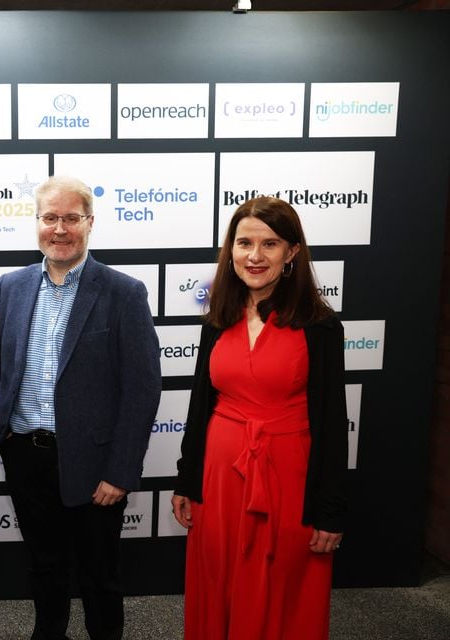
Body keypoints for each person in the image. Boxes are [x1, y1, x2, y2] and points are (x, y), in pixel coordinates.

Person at [0, 175, 162, 640]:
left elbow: (141, 389)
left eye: (71, 218)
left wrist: (121, 470)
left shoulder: (123, 292)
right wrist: (0, 424)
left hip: (95, 464)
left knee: (100, 576)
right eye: (50, 217)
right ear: (37, 222)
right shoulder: (12, 285)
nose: (60, 229)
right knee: (44, 568)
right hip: (26, 456)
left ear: (90, 222)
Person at [171, 196, 348, 640]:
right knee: (218, 582)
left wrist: (329, 512)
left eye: (270, 244)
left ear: (291, 253)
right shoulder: (216, 319)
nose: (254, 256)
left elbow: (331, 423)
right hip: (218, 479)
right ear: (229, 250)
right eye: (244, 242)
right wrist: (186, 480)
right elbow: (199, 406)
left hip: (287, 478)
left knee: (282, 589)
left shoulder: (319, 325)